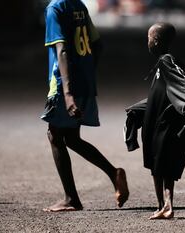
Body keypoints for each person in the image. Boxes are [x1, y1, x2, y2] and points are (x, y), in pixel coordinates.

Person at [41, 0, 129, 212]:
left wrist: (68, 94)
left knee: (55, 135)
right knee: (70, 137)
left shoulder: (55, 8)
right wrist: (87, 71)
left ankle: (71, 199)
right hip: (84, 81)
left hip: (65, 83)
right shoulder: (79, 5)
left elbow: (61, 50)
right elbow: (97, 44)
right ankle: (113, 173)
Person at [125, 22, 185, 220]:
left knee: (164, 164)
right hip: (154, 120)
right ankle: (161, 206)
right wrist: (138, 109)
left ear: (157, 41)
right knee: (155, 164)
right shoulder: (161, 63)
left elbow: (182, 83)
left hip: (166, 122)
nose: (148, 42)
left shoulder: (168, 61)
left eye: (149, 39)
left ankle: (168, 205)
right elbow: (161, 93)